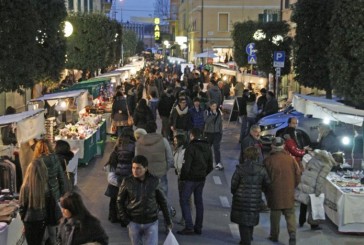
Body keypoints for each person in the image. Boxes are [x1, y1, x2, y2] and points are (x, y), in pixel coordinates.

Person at [117, 155, 173, 245]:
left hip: (151, 223)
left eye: (138, 168)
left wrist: (168, 220)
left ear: (146, 168)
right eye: (133, 168)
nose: (135, 171)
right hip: (133, 223)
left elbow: (162, 201)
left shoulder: (155, 181)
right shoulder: (127, 181)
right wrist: (125, 220)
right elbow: (119, 201)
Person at [264, 137, 301, 245]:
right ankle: (292, 234)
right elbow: (298, 175)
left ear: (272, 146)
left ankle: (274, 235)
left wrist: (266, 190)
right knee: (290, 214)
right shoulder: (291, 159)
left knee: (275, 215)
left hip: (274, 191)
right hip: (289, 191)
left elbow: (264, 178)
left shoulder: (268, 160)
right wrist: (292, 186)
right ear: (284, 146)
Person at [230, 147, 270, 245]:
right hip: (255, 199)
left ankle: (245, 241)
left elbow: (234, 185)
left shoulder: (240, 169)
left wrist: (235, 193)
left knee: (242, 222)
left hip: (241, 199)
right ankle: (248, 237)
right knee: (251, 219)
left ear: (246, 156)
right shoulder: (261, 169)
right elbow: (267, 184)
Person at [177, 128, 213, 235]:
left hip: (190, 179)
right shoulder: (207, 146)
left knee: (184, 200)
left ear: (192, 135)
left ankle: (189, 226)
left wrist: (183, 177)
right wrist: (203, 174)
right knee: (199, 202)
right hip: (201, 179)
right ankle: (198, 227)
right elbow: (210, 166)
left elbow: (186, 166)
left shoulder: (191, 147)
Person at [33, 139, 65, 245]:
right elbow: (61, 178)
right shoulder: (56, 159)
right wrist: (62, 195)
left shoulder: (37, 162)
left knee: (42, 223)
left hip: (42, 196)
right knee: (53, 221)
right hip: (55, 195)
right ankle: (54, 241)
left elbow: (34, 182)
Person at [295, 150, 339, 230]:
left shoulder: (319, 156)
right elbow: (320, 178)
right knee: (314, 204)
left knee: (304, 200)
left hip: (306, 177)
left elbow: (308, 165)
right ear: (336, 160)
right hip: (313, 181)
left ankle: (301, 220)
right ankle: (314, 224)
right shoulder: (328, 163)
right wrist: (318, 191)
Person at [19, 160, 59, 245]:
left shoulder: (25, 187)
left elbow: (22, 208)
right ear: (43, 171)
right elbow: (50, 206)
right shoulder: (46, 187)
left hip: (29, 221)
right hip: (43, 221)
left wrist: (23, 221)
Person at [104, 127, 135, 223]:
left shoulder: (117, 146)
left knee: (114, 198)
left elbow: (112, 162)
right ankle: (123, 218)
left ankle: (112, 216)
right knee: (125, 199)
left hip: (116, 176)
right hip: (128, 176)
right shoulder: (134, 146)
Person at [204, 100, 224, 170]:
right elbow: (206, 121)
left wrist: (221, 132)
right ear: (210, 106)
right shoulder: (206, 112)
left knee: (216, 148)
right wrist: (213, 115)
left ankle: (218, 163)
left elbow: (220, 123)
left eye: (215, 106)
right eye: (213, 106)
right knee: (207, 148)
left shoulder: (219, 112)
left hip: (217, 133)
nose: (214, 108)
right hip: (208, 133)